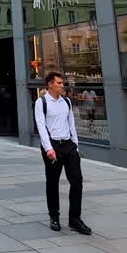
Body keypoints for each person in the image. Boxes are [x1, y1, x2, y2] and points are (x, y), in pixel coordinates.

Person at [34, 72, 91, 235]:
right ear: (50, 84)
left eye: (62, 83)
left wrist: (75, 145)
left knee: (77, 181)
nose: (62, 85)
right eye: (59, 83)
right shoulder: (42, 102)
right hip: (52, 145)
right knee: (52, 183)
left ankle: (75, 219)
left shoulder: (66, 101)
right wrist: (48, 148)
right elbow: (41, 126)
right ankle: (54, 217)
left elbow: (71, 123)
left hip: (68, 145)